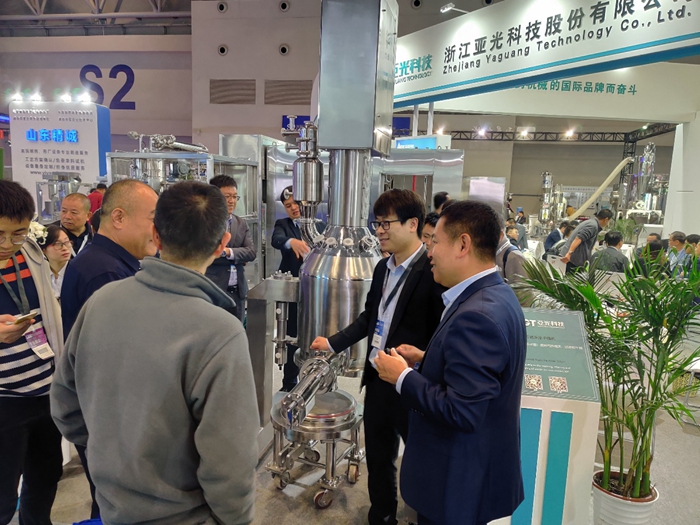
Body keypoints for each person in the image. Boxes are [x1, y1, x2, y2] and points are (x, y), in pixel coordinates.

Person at [51, 181, 258, 524]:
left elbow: (64, 405)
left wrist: (115, 455)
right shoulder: (220, 332)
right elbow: (230, 460)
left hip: (113, 507)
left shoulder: (102, 301)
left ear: (156, 235)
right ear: (222, 244)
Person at [374, 200, 526, 525]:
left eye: (436, 242)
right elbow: (480, 378)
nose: (429, 252)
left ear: (463, 244)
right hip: (470, 478)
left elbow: (462, 411)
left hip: (456, 484)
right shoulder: (495, 294)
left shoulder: (477, 316)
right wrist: (427, 358)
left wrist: (402, 377)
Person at [310, 189, 445, 525]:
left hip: (412, 383)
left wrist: (423, 364)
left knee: (422, 460)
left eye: (387, 223)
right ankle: (382, 517)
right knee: (379, 458)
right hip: (378, 378)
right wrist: (334, 342)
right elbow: (370, 317)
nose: (380, 231)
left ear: (412, 224)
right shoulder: (383, 267)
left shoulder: (433, 271)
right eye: (377, 223)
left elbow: (442, 333)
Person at [60, 179, 158, 518]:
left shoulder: (115, 263)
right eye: (152, 219)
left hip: (110, 418)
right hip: (110, 421)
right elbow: (120, 361)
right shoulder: (104, 272)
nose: (157, 231)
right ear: (118, 217)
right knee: (116, 505)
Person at [0, 180, 64, 525]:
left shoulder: (30, 254)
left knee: (46, 475)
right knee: (3, 495)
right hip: (4, 398)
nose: (7, 244)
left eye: (18, 233)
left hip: (44, 390)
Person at [271, 186, 326, 392]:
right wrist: (290, 242)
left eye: (296, 203)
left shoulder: (320, 226)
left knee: (317, 332)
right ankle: (289, 383)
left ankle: (317, 379)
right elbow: (276, 240)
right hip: (293, 291)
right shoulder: (283, 225)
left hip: (317, 290)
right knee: (292, 334)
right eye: (288, 205)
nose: (293, 208)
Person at [205, 175, 256, 321]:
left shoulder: (241, 223)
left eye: (234, 196)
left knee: (237, 329)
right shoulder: (205, 223)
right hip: (214, 289)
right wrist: (238, 257)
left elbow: (251, 252)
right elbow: (208, 253)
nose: (232, 201)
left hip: (238, 291)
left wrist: (227, 252)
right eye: (227, 196)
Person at [559, 209, 613, 274]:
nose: (608, 223)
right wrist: (569, 254)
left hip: (572, 260)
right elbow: (578, 238)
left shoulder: (591, 223)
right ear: (606, 219)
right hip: (571, 261)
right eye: (609, 221)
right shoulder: (593, 226)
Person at [38, 225, 71, 300]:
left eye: (66, 242)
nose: (65, 248)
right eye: (58, 244)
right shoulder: (40, 274)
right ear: (43, 249)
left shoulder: (77, 271)